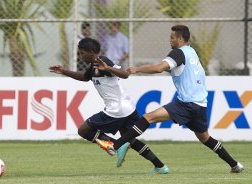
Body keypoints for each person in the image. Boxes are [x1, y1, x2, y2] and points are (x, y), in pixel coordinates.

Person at [96, 25, 244, 173]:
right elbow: (168, 68)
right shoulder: (191, 52)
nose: (170, 40)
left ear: (180, 39)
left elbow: (160, 68)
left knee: (148, 117)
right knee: (205, 138)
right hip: (201, 104)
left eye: (172, 38)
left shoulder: (178, 53)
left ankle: (115, 146)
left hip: (187, 103)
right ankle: (235, 165)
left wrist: (137, 69)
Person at [49, 37, 169, 174]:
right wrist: (64, 71)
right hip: (127, 108)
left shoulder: (104, 61)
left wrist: (108, 68)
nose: (80, 55)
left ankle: (115, 144)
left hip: (116, 110)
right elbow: (84, 77)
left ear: (90, 52)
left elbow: (125, 74)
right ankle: (160, 166)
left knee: (83, 130)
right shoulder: (93, 66)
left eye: (82, 52)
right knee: (132, 140)